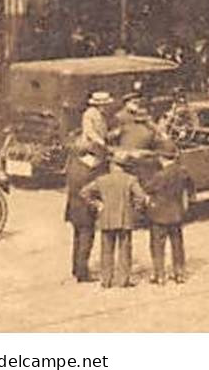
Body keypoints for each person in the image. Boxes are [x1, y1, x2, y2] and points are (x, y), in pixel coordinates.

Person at [82, 156, 148, 287]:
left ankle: (106, 280)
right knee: (125, 250)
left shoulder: (101, 180)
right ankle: (123, 280)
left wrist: (97, 204)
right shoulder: (130, 180)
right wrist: (135, 209)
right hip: (125, 218)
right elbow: (141, 197)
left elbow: (84, 192)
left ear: (112, 166)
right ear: (123, 166)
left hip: (106, 218)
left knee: (106, 250)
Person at [142, 145, 195, 284]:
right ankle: (180, 273)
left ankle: (160, 275)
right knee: (177, 244)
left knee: (157, 245)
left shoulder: (160, 176)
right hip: (177, 213)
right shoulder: (183, 172)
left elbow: (148, 188)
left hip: (159, 215)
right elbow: (191, 188)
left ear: (161, 158)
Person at [63, 140, 103, 283]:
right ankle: (82, 273)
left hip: (73, 209)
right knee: (86, 241)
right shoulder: (89, 172)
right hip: (86, 210)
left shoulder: (73, 166)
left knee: (77, 239)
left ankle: (75, 268)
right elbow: (93, 191)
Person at [80, 90, 112, 155]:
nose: (106, 107)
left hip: (100, 146)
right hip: (90, 146)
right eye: (104, 105)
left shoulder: (103, 115)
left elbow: (103, 131)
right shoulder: (89, 113)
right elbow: (89, 131)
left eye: (106, 105)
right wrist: (100, 141)